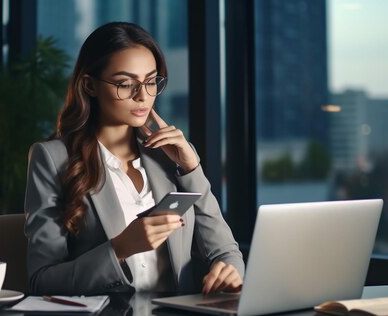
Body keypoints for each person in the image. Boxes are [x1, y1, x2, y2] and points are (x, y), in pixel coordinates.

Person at [25, 22, 244, 296]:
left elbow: (226, 252)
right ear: (90, 85)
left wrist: (191, 168)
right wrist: (120, 248)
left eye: (151, 82)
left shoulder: (169, 156)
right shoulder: (52, 158)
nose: (143, 96)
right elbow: (41, 281)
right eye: (125, 84)